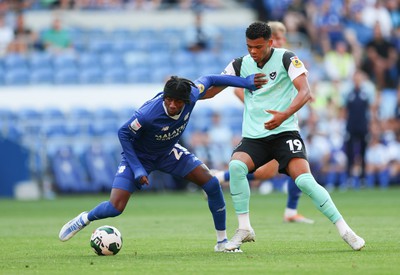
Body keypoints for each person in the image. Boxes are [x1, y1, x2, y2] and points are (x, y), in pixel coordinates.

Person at [58, 73, 267, 252]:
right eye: (169, 100)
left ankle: (222, 242)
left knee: (211, 183)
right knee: (116, 207)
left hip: (169, 152)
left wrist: (245, 82)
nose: (174, 104)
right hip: (140, 157)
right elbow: (123, 133)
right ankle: (84, 219)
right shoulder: (148, 114)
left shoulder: (192, 93)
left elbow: (212, 78)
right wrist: (138, 168)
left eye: (178, 102)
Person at [205, 21, 365, 252]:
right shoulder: (240, 63)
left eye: (258, 47)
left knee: (304, 181)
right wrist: (188, 94)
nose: (253, 51)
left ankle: (345, 230)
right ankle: (244, 228)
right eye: (249, 46)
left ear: (270, 43)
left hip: (284, 132)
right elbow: (212, 91)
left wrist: (284, 115)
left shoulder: (286, 58)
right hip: (254, 136)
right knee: (237, 166)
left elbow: (305, 92)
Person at [213, 21, 314, 224]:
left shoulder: (285, 58)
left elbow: (303, 90)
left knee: (293, 168)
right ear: (270, 39)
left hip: (285, 119)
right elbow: (236, 89)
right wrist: (259, 109)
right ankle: (222, 178)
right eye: (277, 38)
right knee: (271, 172)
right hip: (271, 124)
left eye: (282, 39)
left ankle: (290, 210)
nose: (279, 42)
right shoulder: (254, 62)